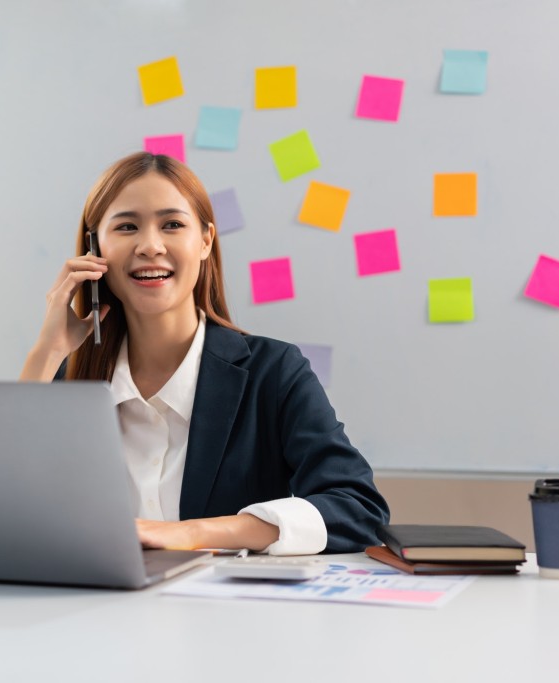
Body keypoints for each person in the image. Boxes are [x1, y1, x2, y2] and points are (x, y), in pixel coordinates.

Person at [20, 152, 389, 554]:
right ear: (95, 249)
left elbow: (358, 508)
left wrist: (192, 533)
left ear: (205, 241)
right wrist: (47, 351)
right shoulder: (72, 383)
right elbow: (2, 507)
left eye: (172, 225)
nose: (150, 245)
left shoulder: (274, 373)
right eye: (126, 227)